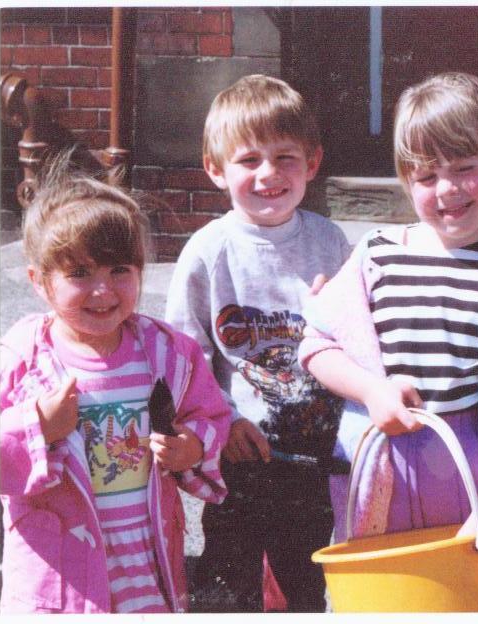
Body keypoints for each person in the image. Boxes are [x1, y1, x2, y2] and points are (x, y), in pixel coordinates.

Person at [298, 72, 478, 611]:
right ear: (406, 180)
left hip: (469, 473)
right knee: (379, 595)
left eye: (465, 169)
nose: (447, 189)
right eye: (426, 175)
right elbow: (317, 344)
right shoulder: (375, 255)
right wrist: (372, 391)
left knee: (470, 596)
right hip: (377, 468)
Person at [0, 154, 231, 613]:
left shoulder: (167, 353)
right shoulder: (24, 355)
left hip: (144, 560)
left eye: (119, 271)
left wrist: (193, 448)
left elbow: (211, 415)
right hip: (59, 575)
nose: (103, 291)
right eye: (80, 273)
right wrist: (36, 428)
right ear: (40, 281)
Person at [164, 74, 351, 612]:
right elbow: (186, 351)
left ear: (311, 164)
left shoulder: (329, 240)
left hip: (315, 452)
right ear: (216, 169)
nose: (269, 174)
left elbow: (355, 334)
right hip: (242, 452)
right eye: (249, 160)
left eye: (285, 158)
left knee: (306, 583)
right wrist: (219, 419)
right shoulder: (208, 251)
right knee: (230, 583)